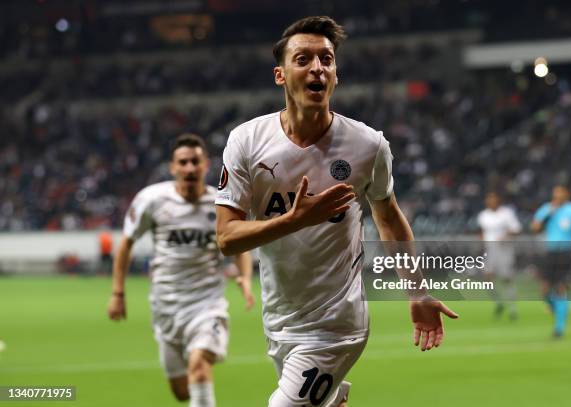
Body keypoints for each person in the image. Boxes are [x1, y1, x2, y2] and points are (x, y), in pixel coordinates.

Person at [215, 16, 458, 407]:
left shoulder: (368, 146)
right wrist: (295, 220)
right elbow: (227, 238)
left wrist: (418, 290)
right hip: (280, 317)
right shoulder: (246, 141)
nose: (317, 68)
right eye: (303, 59)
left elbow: (388, 217)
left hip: (337, 324)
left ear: (336, 74)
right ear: (281, 75)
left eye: (326, 59)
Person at [107, 134, 254, 407]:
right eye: (183, 162)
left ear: (205, 165)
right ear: (173, 167)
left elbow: (239, 243)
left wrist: (244, 277)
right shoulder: (151, 200)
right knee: (181, 391)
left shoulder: (219, 204)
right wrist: (118, 293)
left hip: (206, 305)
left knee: (199, 365)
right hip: (166, 307)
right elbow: (126, 244)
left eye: (195, 161)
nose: (189, 168)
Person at [531, 185, 571, 337]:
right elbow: (535, 228)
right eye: (555, 192)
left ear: (567, 194)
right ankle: (559, 309)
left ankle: (559, 328)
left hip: (567, 252)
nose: (557, 195)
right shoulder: (547, 208)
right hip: (550, 252)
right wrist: (549, 213)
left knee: (561, 287)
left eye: (560, 192)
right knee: (544, 290)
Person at [477, 191, 522, 320]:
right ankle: (498, 302)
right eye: (488, 199)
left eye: (493, 199)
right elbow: (481, 231)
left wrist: (506, 236)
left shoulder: (506, 213)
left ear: (498, 200)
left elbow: (516, 229)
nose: (490, 202)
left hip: (504, 249)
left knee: (506, 278)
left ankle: (513, 308)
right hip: (490, 249)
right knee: (487, 278)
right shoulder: (483, 215)